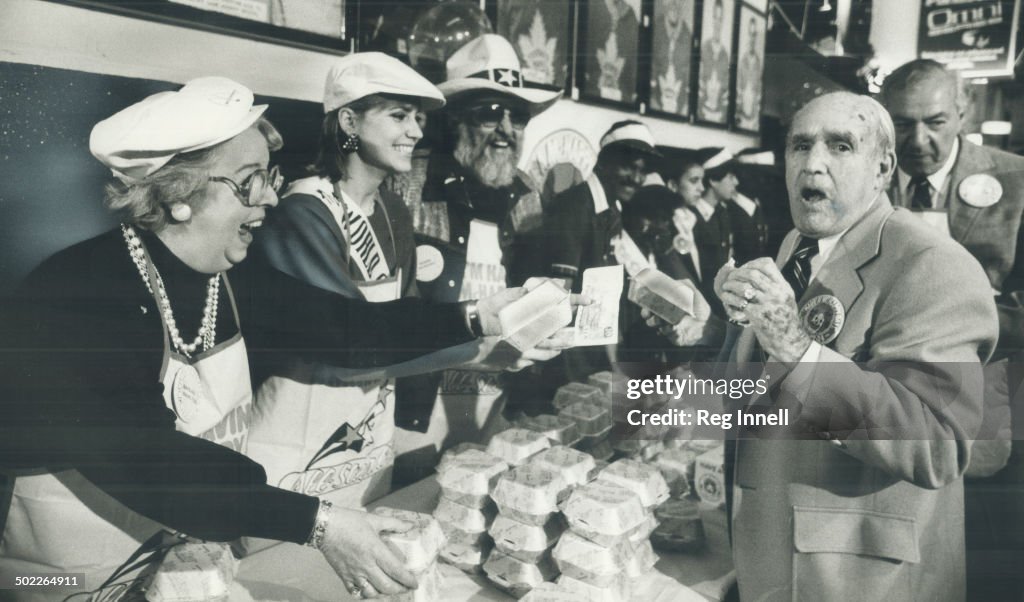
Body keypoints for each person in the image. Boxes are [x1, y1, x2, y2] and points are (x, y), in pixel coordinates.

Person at [0, 77, 526, 600]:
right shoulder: (73, 292)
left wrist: (477, 315)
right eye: (249, 180)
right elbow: (144, 458)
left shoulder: (227, 278)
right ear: (180, 193)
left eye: (269, 176)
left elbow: (348, 330)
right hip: (63, 577)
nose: (271, 197)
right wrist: (319, 523)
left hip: (181, 569)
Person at [708, 91, 997, 600]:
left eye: (840, 146)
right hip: (773, 551)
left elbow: (937, 446)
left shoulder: (934, 263)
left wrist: (797, 348)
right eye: (800, 146)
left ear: (883, 167)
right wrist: (729, 328)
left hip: (856, 578)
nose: (812, 165)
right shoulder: (799, 244)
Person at [245, 54, 447, 510]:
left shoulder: (394, 210)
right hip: (300, 436)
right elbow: (348, 341)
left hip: (368, 431)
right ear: (349, 121)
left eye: (417, 118)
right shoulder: (305, 209)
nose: (415, 130)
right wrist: (474, 347)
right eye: (398, 116)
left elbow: (407, 319)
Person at [383, 33, 562, 476]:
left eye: (517, 117)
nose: (506, 131)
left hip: (496, 402)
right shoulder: (406, 184)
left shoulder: (526, 194)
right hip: (415, 405)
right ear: (455, 119)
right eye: (489, 114)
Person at [882, 58, 1024, 597]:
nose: (918, 140)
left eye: (936, 122)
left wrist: (962, 319)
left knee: (975, 559)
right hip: (885, 400)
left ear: (964, 112)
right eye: (901, 123)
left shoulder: (1015, 180)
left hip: (987, 401)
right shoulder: (864, 178)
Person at [650, 0, 693, 114]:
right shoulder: (655, 28)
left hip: (678, 105)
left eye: (678, 2)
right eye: (670, 2)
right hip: (656, 100)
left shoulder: (687, 34)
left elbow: (688, 71)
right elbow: (650, 63)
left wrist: (684, 105)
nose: (674, 5)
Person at [697, 0, 730, 122]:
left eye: (720, 19)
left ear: (722, 22)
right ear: (712, 19)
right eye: (715, 17)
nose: (717, 22)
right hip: (701, 115)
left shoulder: (725, 55)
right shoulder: (704, 49)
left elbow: (726, 93)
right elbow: (698, 86)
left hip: (718, 118)